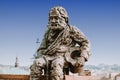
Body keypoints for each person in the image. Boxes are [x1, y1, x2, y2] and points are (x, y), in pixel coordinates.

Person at [30, 6, 91, 80]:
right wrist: (40, 56)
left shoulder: (71, 30)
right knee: (36, 63)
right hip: (47, 56)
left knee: (56, 64)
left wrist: (82, 57)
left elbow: (85, 42)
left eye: (56, 18)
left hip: (64, 57)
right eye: (51, 18)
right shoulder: (48, 32)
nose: (53, 21)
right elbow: (41, 48)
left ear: (64, 19)